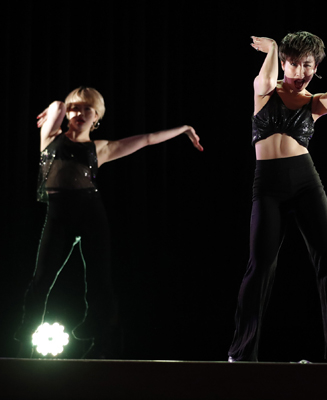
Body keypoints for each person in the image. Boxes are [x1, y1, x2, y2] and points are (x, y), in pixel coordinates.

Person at [15, 86, 202, 358]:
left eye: (87, 109)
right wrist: (60, 106)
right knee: (42, 277)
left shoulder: (100, 148)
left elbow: (147, 139)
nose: (79, 113)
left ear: (97, 117)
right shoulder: (50, 137)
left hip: (91, 213)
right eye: (74, 108)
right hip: (58, 216)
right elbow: (57, 105)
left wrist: (184, 128)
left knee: (99, 279)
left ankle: (102, 338)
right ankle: (26, 333)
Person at [227, 32, 327, 362]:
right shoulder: (265, 91)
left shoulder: (314, 102)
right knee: (260, 267)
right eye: (294, 64)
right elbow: (265, 77)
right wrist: (272, 48)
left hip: (306, 183)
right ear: (283, 64)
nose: (301, 72)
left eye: (308, 65)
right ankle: (242, 355)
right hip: (268, 186)